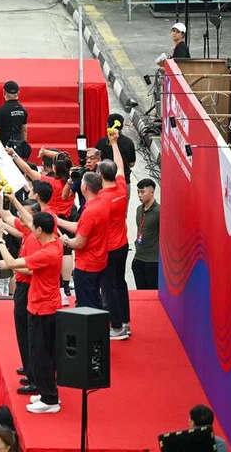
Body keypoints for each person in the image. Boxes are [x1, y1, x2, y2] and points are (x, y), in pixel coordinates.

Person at [0, 212, 63, 414]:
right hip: (41, 304)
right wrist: (14, 203)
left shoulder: (47, 252)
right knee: (40, 353)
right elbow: (28, 220)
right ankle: (45, 392)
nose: (31, 228)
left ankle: (50, 399)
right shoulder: (55, 241)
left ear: (40, 230)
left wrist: (0, 241)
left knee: (41, 355)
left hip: (44, 308)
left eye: (35, 227)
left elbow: (13, 264)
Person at [57, 171, 109, 311]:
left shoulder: (90, 212)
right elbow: (82, 228)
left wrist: (66, 241)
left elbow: (79, 242)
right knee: (95, 300)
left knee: (87, 306)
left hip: (86, 265)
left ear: (84, 187)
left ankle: (93, 332)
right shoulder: (102, 204)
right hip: (99, 261)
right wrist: (58, 221)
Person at [98, 127, 131, 340]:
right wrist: (115, 143)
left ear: (101, 176)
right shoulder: (121, 188)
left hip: (108, 249)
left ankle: (117, 327)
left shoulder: (102, 200)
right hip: (123, 245)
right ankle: (126, 322)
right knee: (121, 283)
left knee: (108, 287)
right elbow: (120, 165)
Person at [132, 178, 160, 290]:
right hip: (139, 258)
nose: (139, 195)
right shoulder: (139, 209)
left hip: (152, 261)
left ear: (152, 192)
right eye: (138, 192)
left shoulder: (159, 212)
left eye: (142, 192)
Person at [94, 113, 136, 185]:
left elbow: (95, 160)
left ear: (107, 125)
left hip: (105, 183)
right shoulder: (129, 142)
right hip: (124, 182)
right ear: (122, 126)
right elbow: (132, 164)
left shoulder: (101, 142)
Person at [0, 81, 29, 159]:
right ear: (18, 92)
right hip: (18, 147)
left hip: (4, 148)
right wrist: (23, 145)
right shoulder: (23, 110)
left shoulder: (1, 110)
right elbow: (24, 130)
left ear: (4, 92)